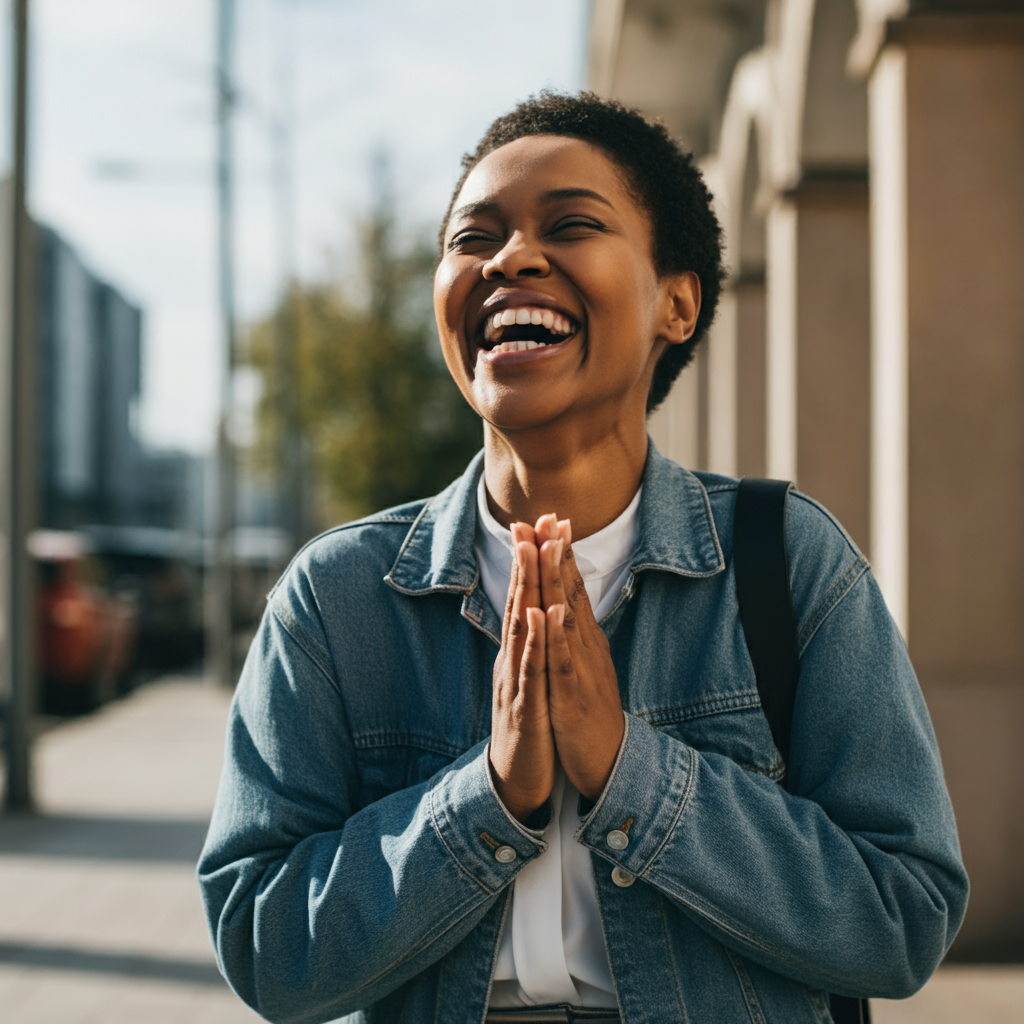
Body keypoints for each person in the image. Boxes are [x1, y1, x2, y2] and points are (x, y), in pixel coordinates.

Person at [198, 92, 968, 1024]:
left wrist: (629, 772)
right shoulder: (335, 600)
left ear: (675, 303)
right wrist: (489, 798)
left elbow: (902, 918)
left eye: (570, 225)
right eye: (472, 238)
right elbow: (266, 949)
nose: (510, 258)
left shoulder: (788, 562)